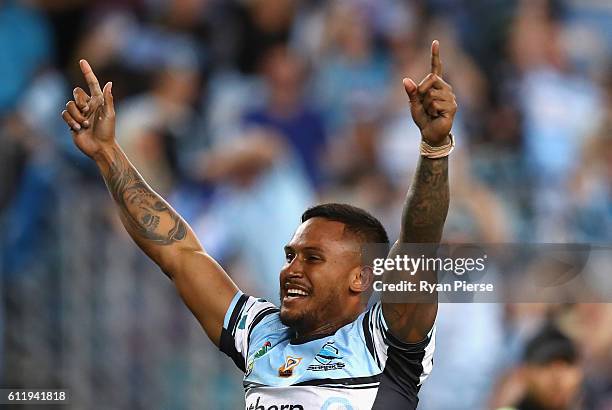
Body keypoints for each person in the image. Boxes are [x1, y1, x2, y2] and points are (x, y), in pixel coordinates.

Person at [60, 40, 457, 409]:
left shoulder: (384, 342)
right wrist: (107, 152)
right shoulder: (259, 334)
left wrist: (435, 147)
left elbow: (420, 240)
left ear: (359, 278)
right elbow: (177, 252)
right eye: (291, 255)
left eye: (313, 258)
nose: (291, 269)